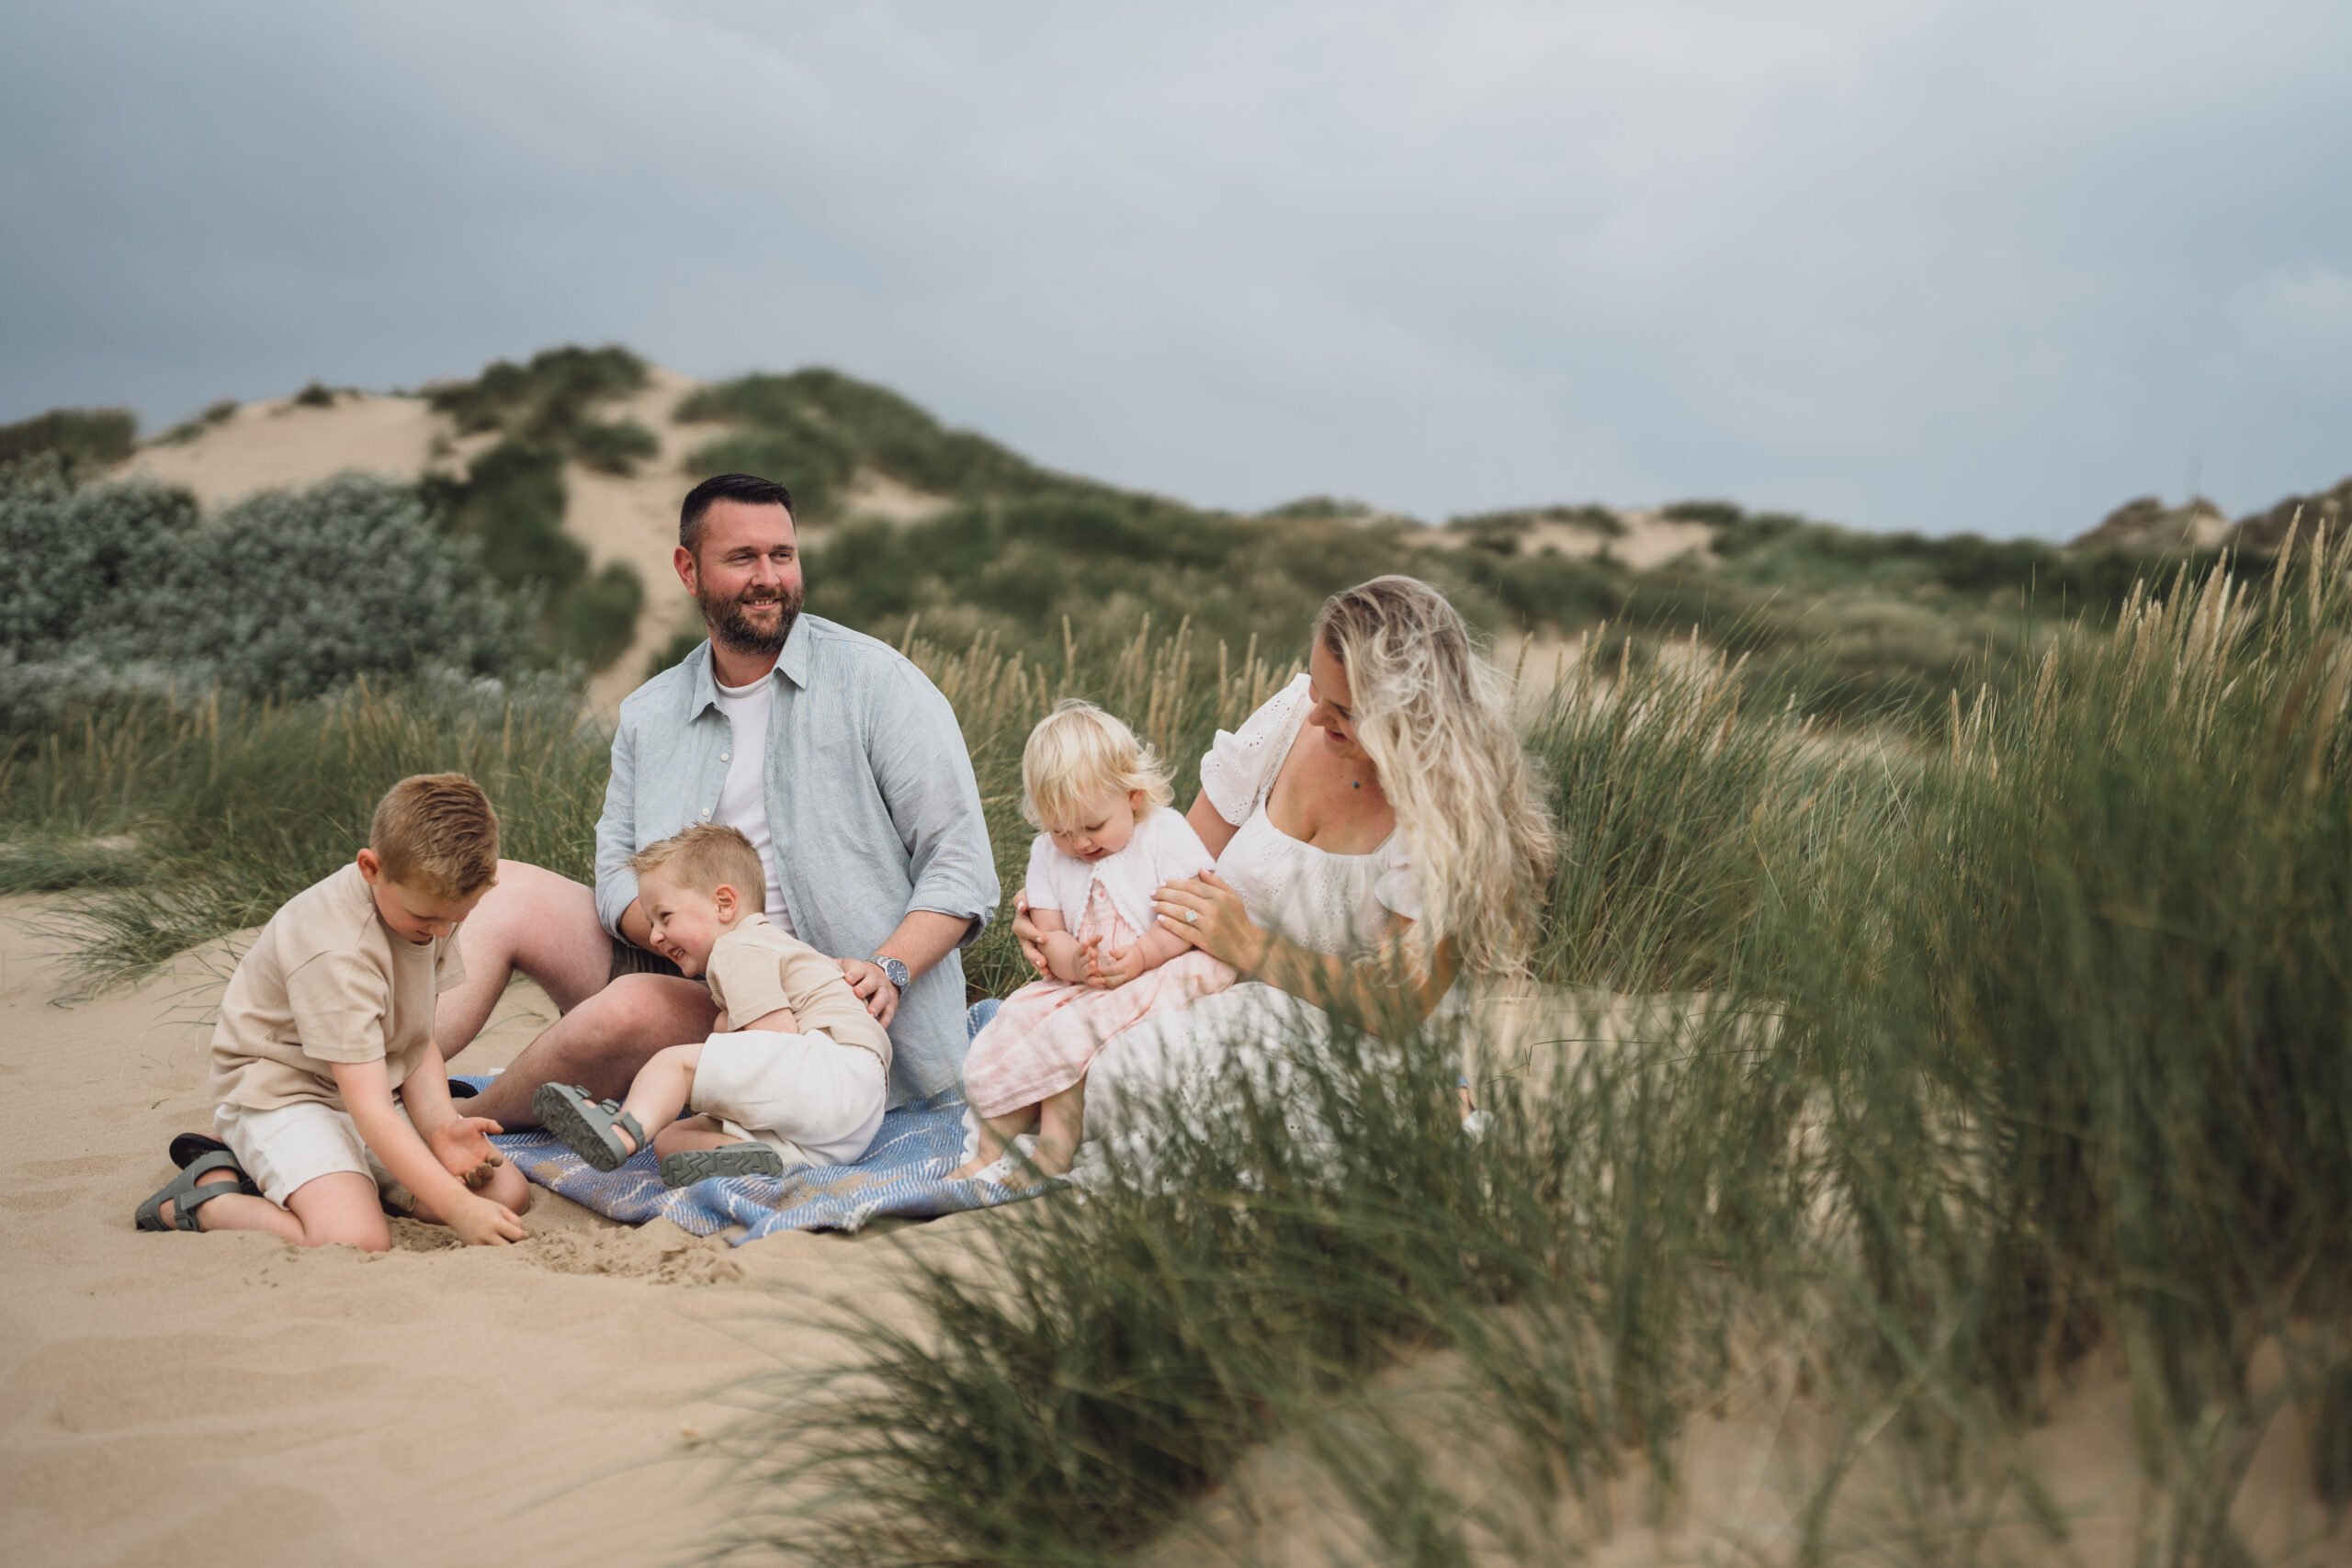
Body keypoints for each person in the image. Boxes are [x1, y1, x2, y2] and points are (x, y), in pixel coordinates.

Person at [430, 472, 999, 1129]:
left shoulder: (880, 684)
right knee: (502, 891)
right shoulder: (649, 712)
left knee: (631, 1006)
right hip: (689, 974)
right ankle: (377, 1083)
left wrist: (889, 967)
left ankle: (458, 1122)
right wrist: (685, 935)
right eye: (742, 558)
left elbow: (962, 865)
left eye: (782, 555)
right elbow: (615, 874)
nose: (768, 577)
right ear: (688, 569)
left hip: (828, 1007)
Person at [1012, 577, 1557, 1168]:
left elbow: (1396, 1006)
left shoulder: (1450, 817)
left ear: (1408, 715)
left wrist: (1248, 943)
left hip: (1353, 1041)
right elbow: (1169, 870)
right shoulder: (1294, 715)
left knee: (1132, 1075)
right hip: (1205, 995)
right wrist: (1064, 912)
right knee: (1054, 1048)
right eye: (1318, 686)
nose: (1317, 714)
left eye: (1344, 710)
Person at [135, 773, 533, 1249]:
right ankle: (209, 1198)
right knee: (356, 1238)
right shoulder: (338, 954)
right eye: (426, 919)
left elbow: (415, 1040)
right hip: (286, 1095)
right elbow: (370, 1111)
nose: (442, 931)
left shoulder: (432, 907)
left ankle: (338, 1182)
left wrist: (442, 1127)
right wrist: (456, 1208)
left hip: (372, 1084)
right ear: (371, 868)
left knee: (505, 1196)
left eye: (458, 915)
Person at [951, 702, 1234, 1180]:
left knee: (1068, 1036)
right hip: (1082, 981)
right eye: (1061, 830)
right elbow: (1048, 933)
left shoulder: (1163, 832)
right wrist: (1075, 964)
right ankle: (987, 1152)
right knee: (1012, 1026)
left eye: (1093, 826)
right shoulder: (1047, 853)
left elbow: (1187, 916)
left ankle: (1053, 1152)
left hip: (1158, 967)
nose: (1080, 844)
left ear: (1133, 796)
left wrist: (1141, 954)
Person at [533, 824, 893, 1188]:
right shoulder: (772, 945)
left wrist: (717, 1040)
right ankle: (768, 1162)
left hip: (833, 1072)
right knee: (671, 1141)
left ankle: (620, 1133)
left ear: (723, 903)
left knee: (672, 1065)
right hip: (851, 1124)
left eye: (665, 916)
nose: (655, 936)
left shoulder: (738, 947)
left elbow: (775, 1037)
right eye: (651, 922)